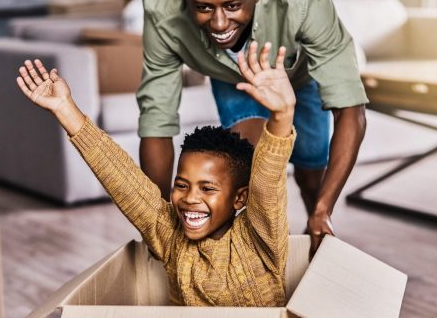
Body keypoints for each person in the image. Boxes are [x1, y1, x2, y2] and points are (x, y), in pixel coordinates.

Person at [15, 44, 296, 306]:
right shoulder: (171, 236)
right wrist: (66, 109)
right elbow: (124, 181)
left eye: (207, 189)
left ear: (239, 198)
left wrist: (282, 115)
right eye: (181, 185)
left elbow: (268, 182)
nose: (189, 198)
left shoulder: (260, 236)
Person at [136, 0, 368, 256]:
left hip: (301, 78)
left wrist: (322, 211)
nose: (220, 23)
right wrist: (158, 221)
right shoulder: (161, 10)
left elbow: (350, 107)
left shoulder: (304, 3)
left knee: (311, 178)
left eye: (233, 6)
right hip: (232, 78)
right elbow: (156, 120)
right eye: (204, 7)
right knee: (248, 167)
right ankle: (242, 261)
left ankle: (317, 232)